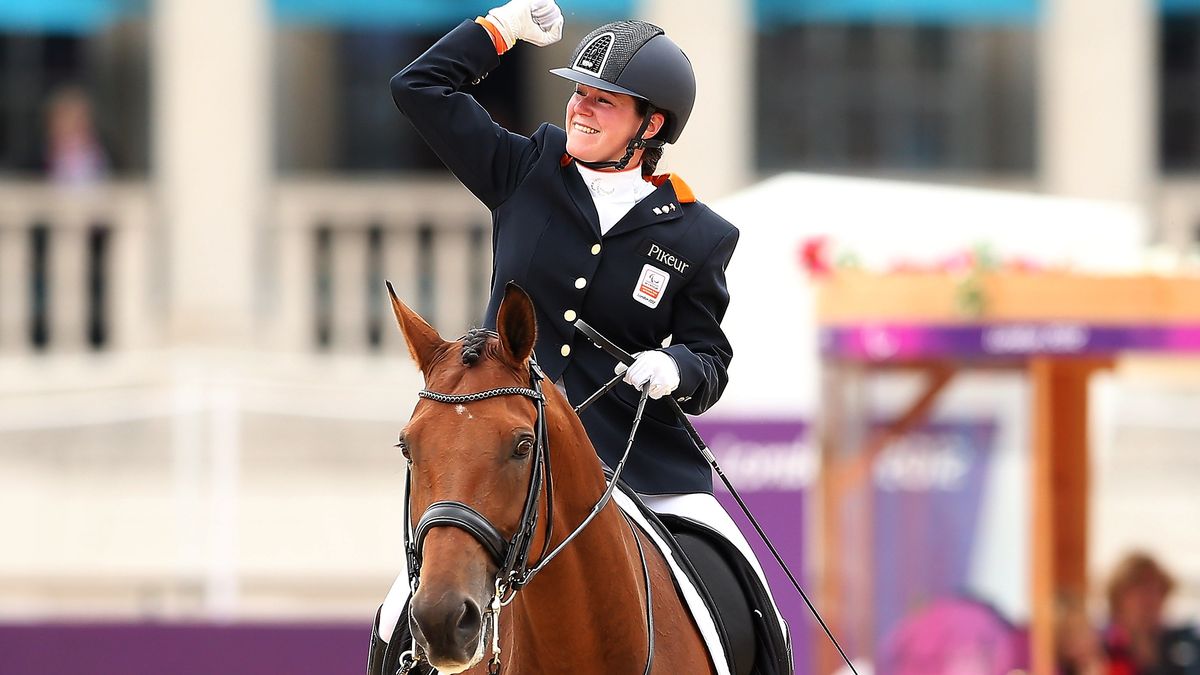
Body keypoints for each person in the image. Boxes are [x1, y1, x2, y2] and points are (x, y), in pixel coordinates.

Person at [372, 1, 791, 672]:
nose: (581, 108)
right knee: (403, 608)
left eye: (605, 101)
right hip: (508, 466)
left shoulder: (698, 234)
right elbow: (416, 89)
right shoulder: (523, 169)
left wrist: (675, 368)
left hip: (641, 467)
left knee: (750, 592)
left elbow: (710, 361)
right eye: (579, 92)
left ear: (649, 125)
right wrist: (498, 30)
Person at [1102, 552, 1200, 675]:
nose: (1150, 600)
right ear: (1118, 599)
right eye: (1140, 592)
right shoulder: (1099, 647)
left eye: (1157, 591)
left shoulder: (1183, 645)